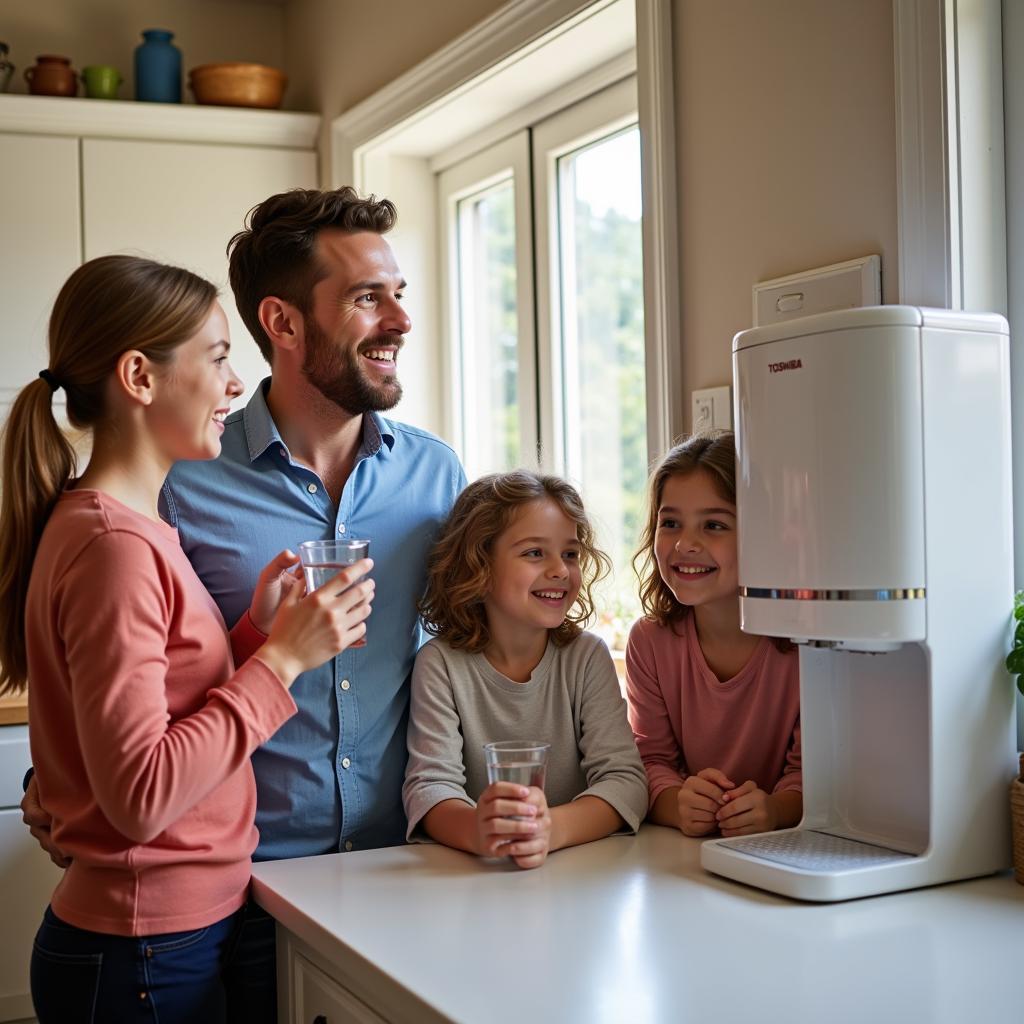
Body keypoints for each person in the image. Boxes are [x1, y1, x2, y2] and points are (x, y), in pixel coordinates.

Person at [22, 188, 467, 1018]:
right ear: (285, 323)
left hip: (397, 873)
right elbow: (118, 697)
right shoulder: (171, 482)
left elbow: (464, 663)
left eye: (400, 292)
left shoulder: (437, 477)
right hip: (244, 893)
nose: (400, 319)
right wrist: (58, 778)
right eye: (369, 297)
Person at [0, 255, 373, 1022]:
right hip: (142, 949)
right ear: (139, 376)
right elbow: (140, 796)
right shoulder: (116, 547)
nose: (236, 385)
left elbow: (157, 705)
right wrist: (285, 659)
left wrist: (253, 632)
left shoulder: (128, 529)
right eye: (218, 357)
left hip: (162, 938)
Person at [404, 471, 648, 868]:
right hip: (475, 884)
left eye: (570, 554)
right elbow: (430, 787)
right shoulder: (441, 665)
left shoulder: (587, 657)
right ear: (478, 568)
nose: (560, 570)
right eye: (535, 553)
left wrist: (550, 828)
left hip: (581, 876)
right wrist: (476, 831)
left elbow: (626, 782)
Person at [625, 431, 802, 838]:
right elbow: (651, 762)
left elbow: (815, 776)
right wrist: (677, 802)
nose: (686, 543)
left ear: (764, 535)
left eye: (714, 525)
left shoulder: (806, 647)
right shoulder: (649, 643)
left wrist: (775, 810)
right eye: (670, 523)